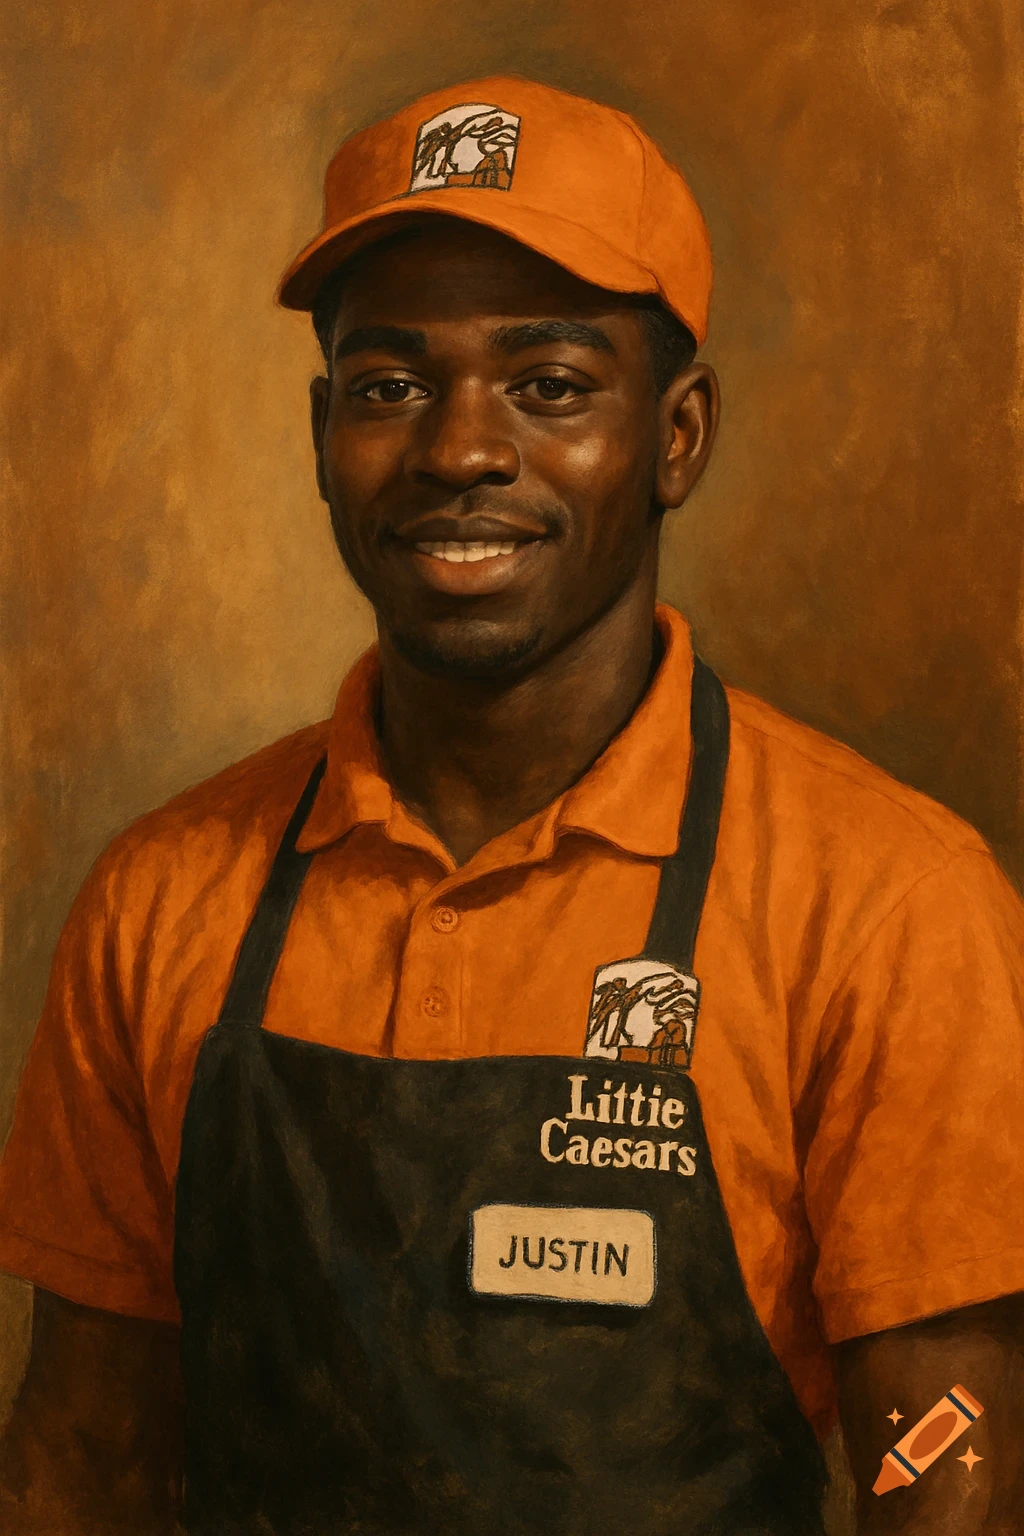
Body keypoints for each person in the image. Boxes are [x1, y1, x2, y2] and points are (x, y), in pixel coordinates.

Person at [0, 73, 1022, 1536]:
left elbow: (959, 1481)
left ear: (677, 437)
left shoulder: (887, 905)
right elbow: (78, 1465)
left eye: (548, 385)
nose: (458, 450)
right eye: (389, 385)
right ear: (318, 435)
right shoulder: (163, 899)